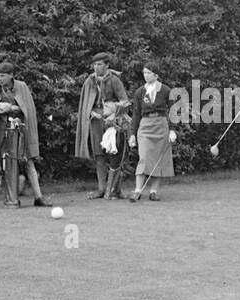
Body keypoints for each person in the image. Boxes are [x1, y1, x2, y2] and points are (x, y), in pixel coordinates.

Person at [0, 61, 52, 208]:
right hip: (3, 132)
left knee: (28, 161)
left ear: (11, 75)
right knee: (8, 163)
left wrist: (11, 107)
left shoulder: (21, 87)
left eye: (2, 75)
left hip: (21, 130)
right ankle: (12, 197)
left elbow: (28, 109)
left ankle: (39, 197)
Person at [73, 51, 129, 199]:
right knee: (99, 155)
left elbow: (125, 101)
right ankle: (101, 189)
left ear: (107, 65)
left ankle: (116, 189)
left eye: (99, 64)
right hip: (95, 121)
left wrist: (112, 111)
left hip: (112, 121)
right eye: (94, 64)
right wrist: (90, 111)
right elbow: (86, 103)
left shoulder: (115, 80)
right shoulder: (89, 81)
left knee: (114, 153)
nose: (96, 67)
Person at [127, 61, 174, 203]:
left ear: (156, 75)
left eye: (148, 73)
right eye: (144, 73)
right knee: (144, 157)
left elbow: (172, 112)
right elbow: (136, 114)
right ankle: (137, 191)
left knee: (159, 159)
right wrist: (132, 134)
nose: (145, 75)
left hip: (161, 125)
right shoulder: (139, 92)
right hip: (145, 126)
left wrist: (172, 130)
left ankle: (153, 191)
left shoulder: (166, 90)